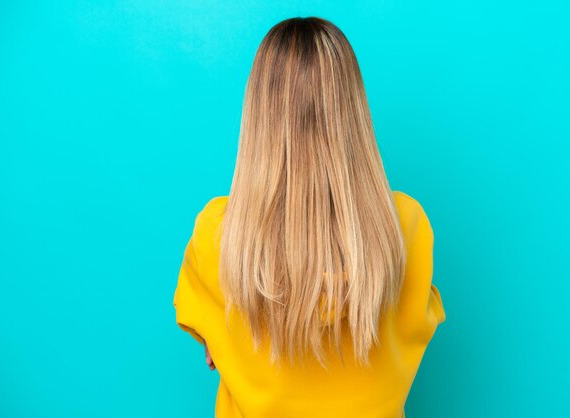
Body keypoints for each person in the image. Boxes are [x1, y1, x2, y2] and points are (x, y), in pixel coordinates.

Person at [173, 16, 446, 418]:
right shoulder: (405, 225)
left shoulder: (217, 233)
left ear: (259, 113)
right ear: (351, 109)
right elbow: (417, 325)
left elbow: (209, 341)